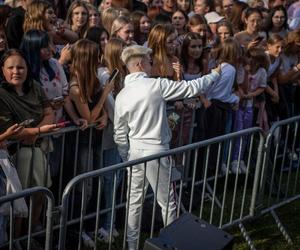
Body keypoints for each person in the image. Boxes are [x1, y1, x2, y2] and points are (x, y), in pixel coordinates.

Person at [114, 44, 221, 250]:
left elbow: (119, 133)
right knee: (167, 202)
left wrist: (126, 157)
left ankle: (132, 245)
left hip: (135, 152)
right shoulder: (155, 85)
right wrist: (215, 74)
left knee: (134, 202)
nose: (151, 64)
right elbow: (191, 88)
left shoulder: (122, 95)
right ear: (139, 64)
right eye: (149, 61)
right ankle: (173, 245)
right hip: (156, 150)